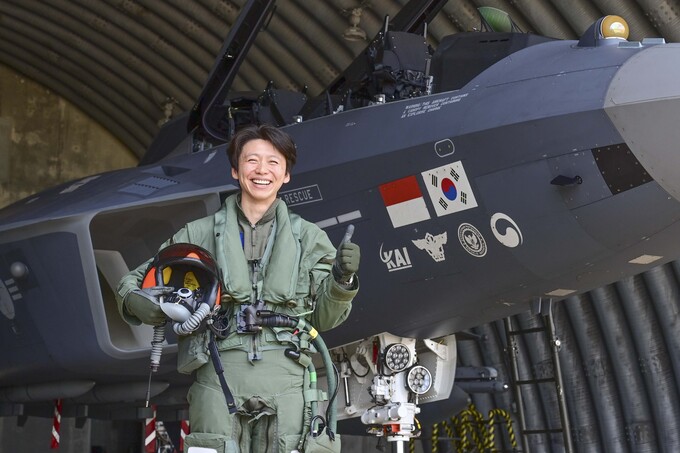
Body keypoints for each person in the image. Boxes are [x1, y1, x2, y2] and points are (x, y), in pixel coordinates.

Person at [115, 124, 360, 453]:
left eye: (273, 162)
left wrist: (342, 281)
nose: (262, 170)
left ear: (286, 174)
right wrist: (140, 303)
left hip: (288, 378)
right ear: (235, 169)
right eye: (252, 160)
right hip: (218, 375)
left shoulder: (310, 239)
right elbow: (135, 281)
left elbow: (325, 320)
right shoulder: (198, 234)